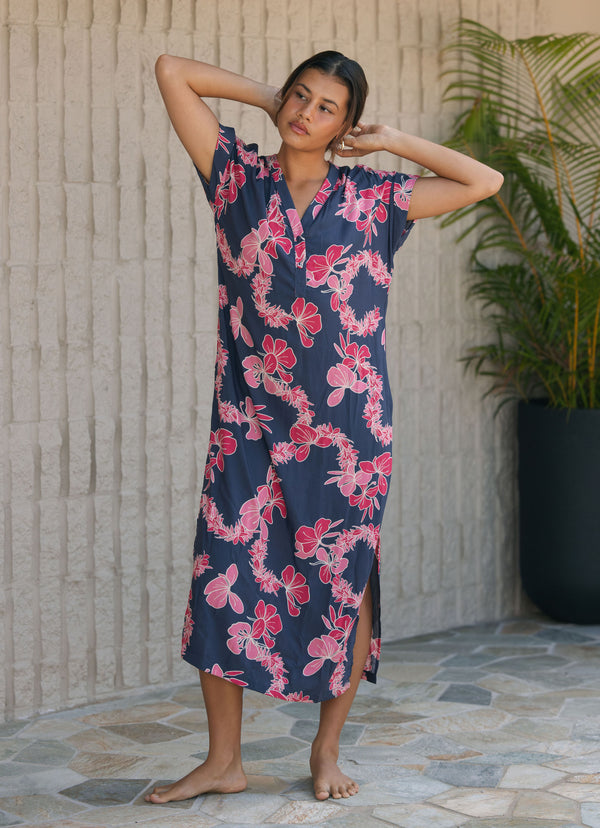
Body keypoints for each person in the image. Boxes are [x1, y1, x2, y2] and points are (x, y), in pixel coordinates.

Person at [145, 50, 503, 805]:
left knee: (343, 585)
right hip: (247, 419)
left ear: (346, 123)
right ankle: (223, 760)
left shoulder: (376, 199)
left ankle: (326, 750)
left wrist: (393, 140)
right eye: (300, 97)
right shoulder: (235, 176)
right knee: (223, 576)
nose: (306, 114)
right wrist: (270, 93)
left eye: (325, 107)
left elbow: (484, 182)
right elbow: (173, 70)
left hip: (347, 433)